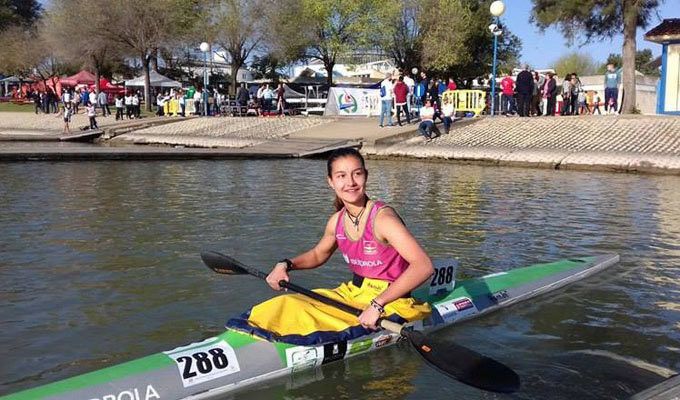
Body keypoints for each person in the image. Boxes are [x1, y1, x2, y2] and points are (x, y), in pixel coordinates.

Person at [250, 148, 432, 340]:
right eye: (341, 176)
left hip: (392, 301)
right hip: (353, 293)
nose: (350, 182)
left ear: (366, 177)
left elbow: (423, 266)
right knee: (284, 304)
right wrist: (285, 264)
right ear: (331, 181)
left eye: (357, 174)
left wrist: (377, 304)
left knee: (306, 316)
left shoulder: (383, 219)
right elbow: (319, 254)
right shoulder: (336, 221)